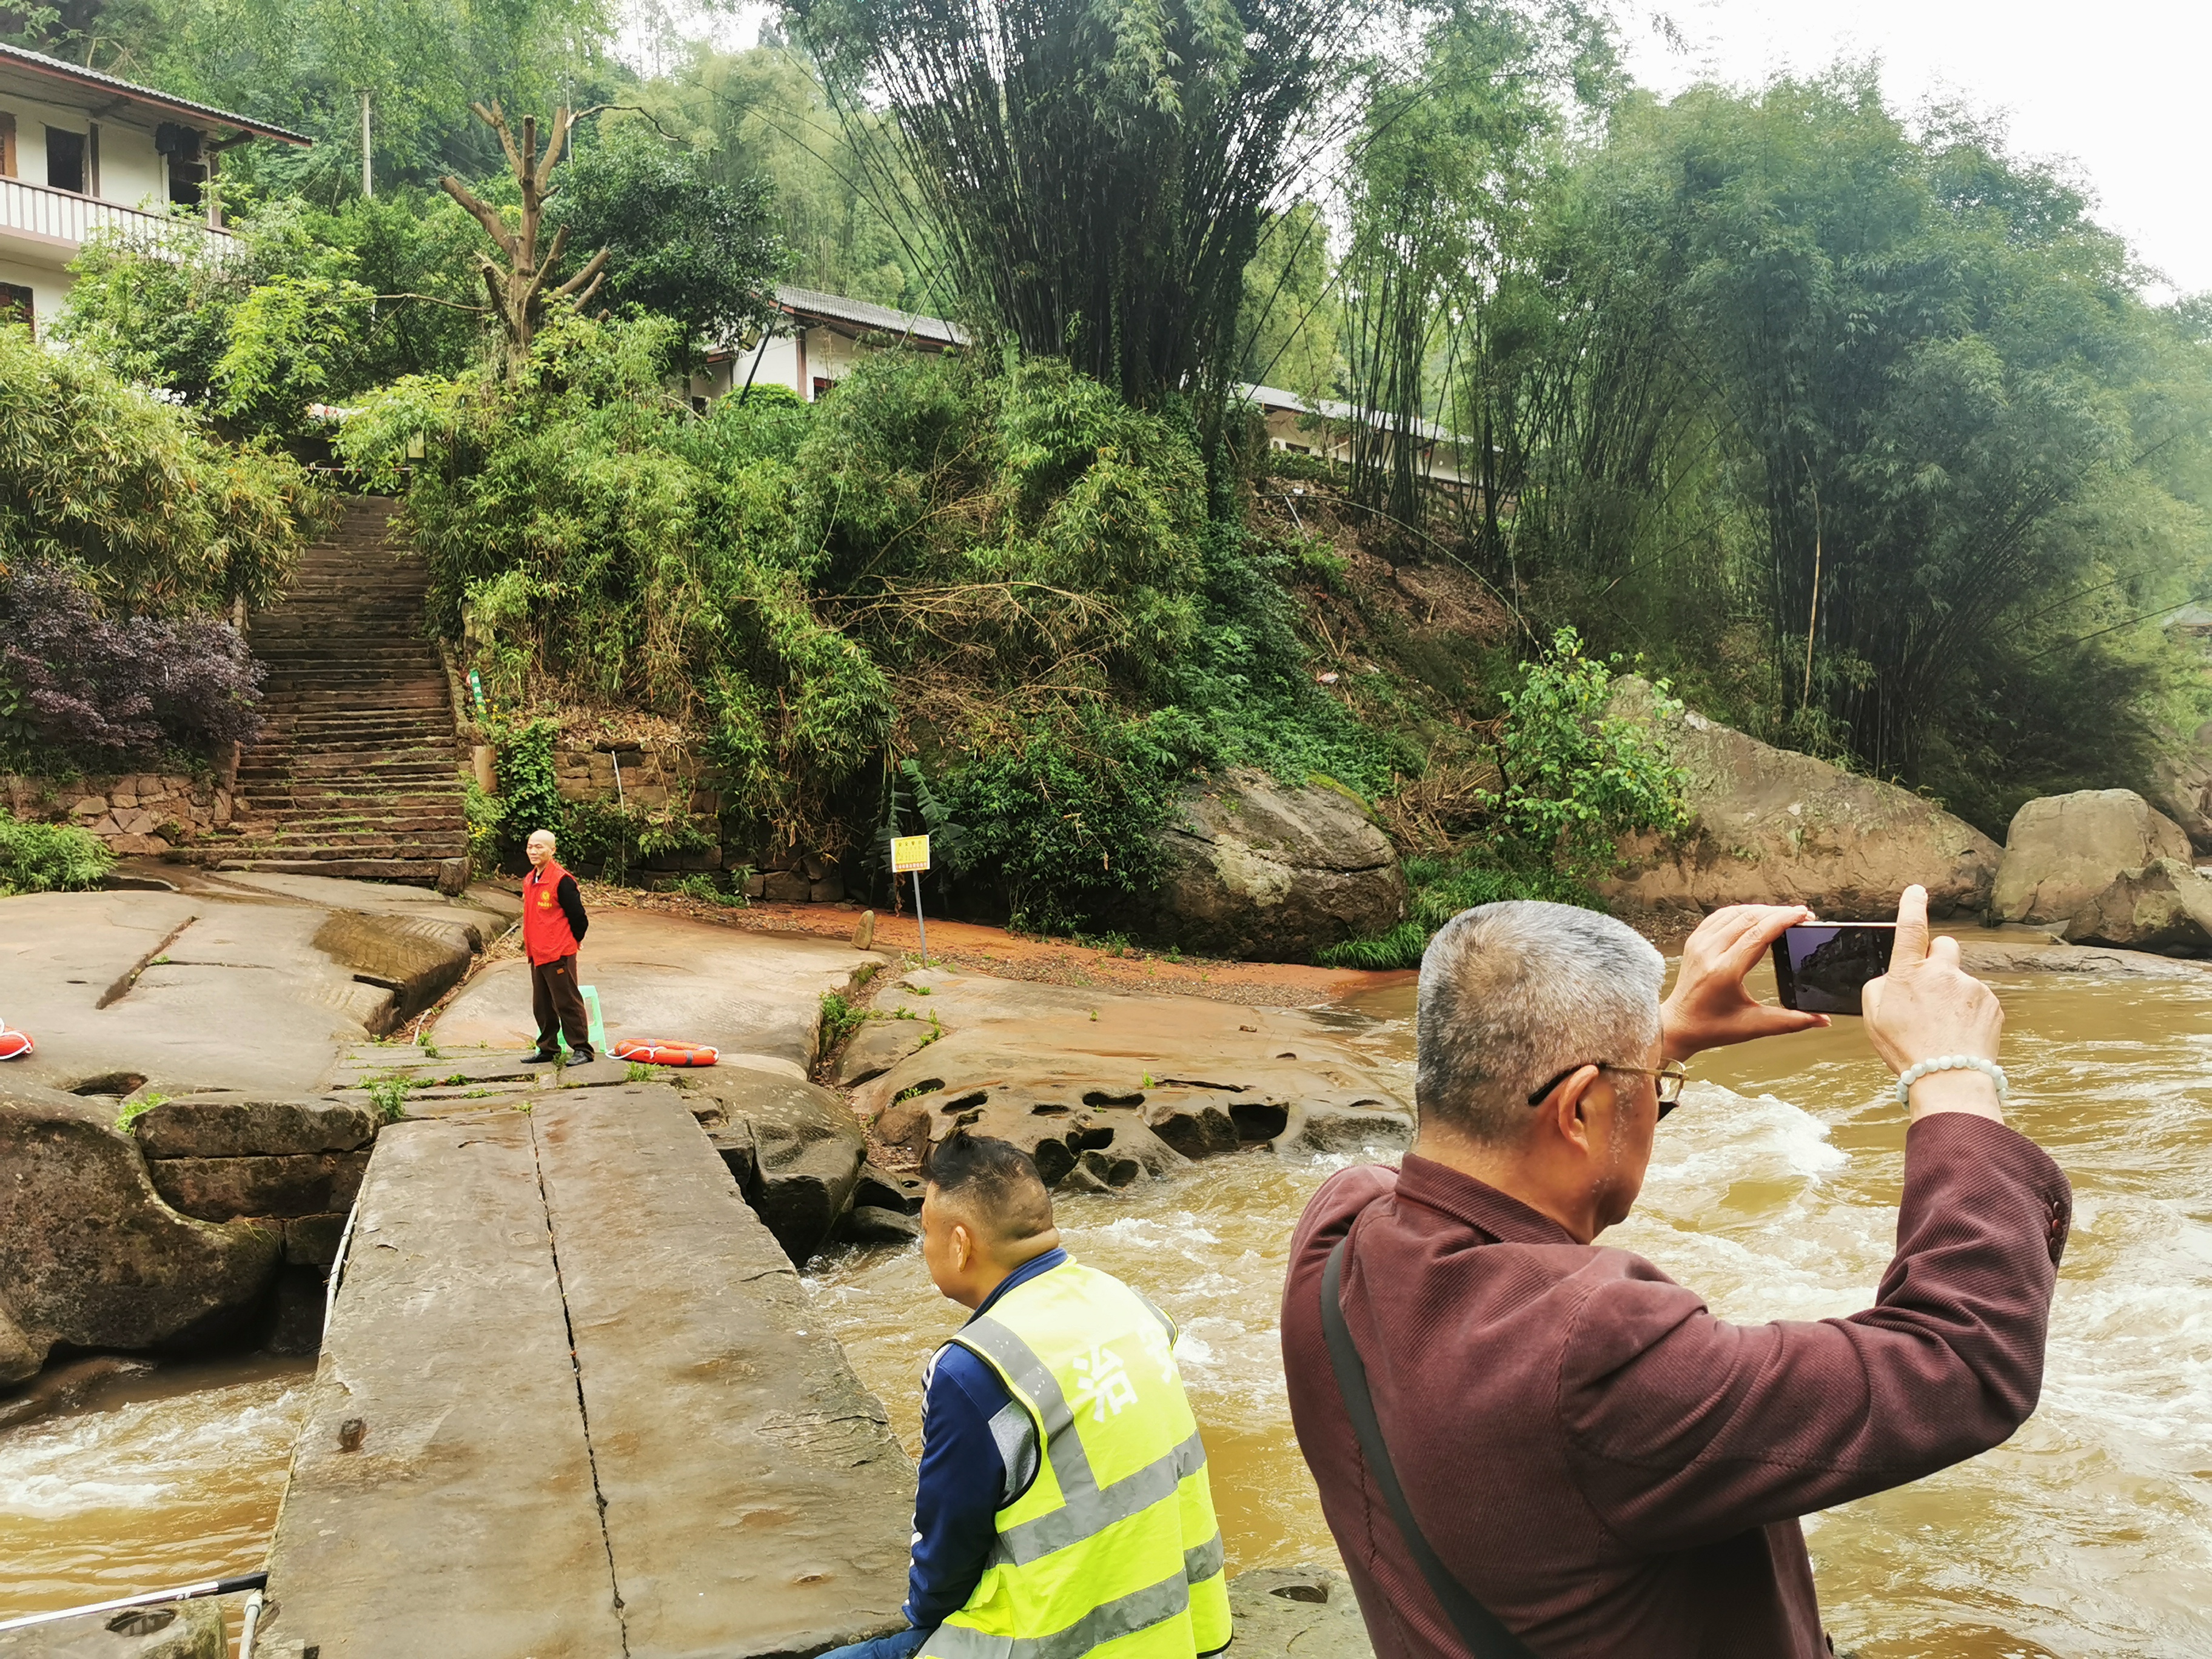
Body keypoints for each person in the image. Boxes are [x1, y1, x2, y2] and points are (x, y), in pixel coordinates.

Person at [1281, 889, 2071, 1658]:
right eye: (1655, 1088)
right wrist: (1954, 1078)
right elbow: (1961, 1361)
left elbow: (1497, 1123)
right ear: (1580, 1110)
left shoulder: (1342, 1228)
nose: (1658, 1097)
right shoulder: (1589, 1353)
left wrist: (1645, 1045)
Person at [821, 1132, 1232, 1659]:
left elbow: (947, 1556)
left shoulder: (974, 1371)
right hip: (1188, 1628)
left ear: (960, 1244)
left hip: (1064, 1640)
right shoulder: (1127, 1302)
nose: (923, 1247)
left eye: (925, 1231)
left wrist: (925, 1626)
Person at [521, 828, 594, 1064]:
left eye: (539, 847)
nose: (533, 851)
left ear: (552, 850)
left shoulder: (563, 881)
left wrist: (575, 940)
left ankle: (582, 1049)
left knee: (567, 1001)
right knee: (541, 1005)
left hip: (558, 952)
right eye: (530, 847)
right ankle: (548, 1048)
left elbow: (579, 917)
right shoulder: (530, 879)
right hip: (537, 952)